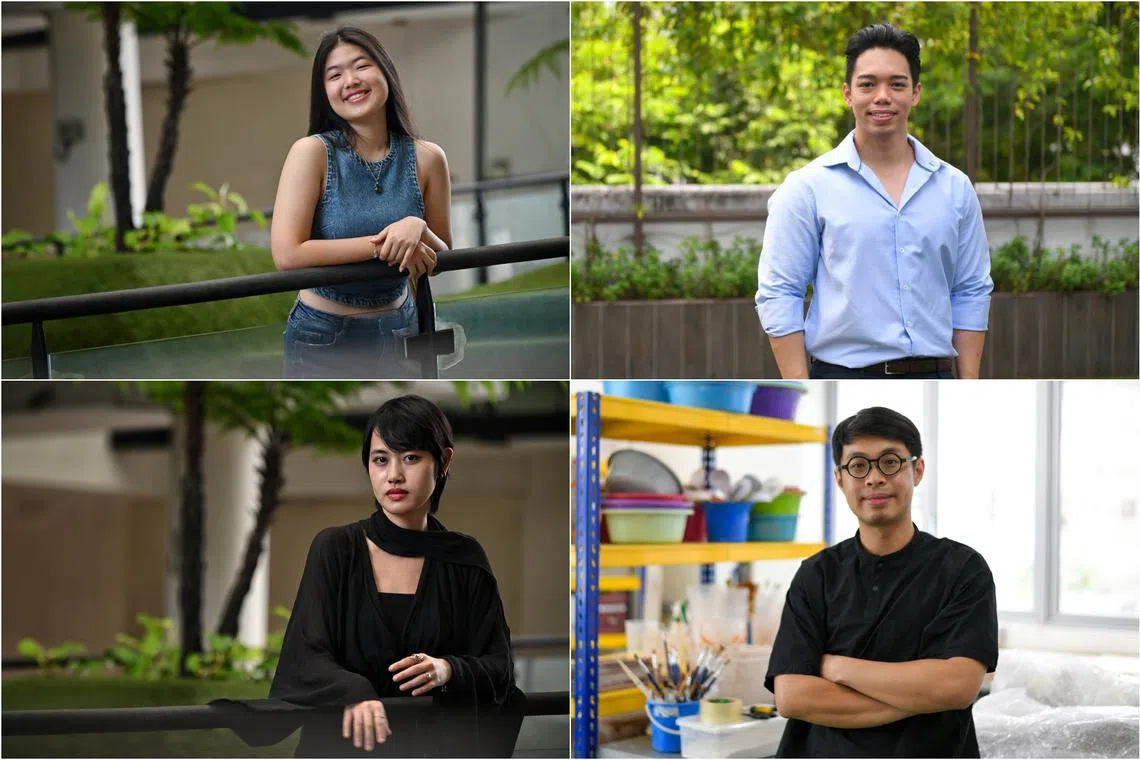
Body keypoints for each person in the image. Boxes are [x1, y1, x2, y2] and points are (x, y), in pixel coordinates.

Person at [213, 395, 523, 757]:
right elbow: (306, 657)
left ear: (444, 461)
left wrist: (447, 670)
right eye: (380, 460)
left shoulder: (465, 560)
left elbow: (499, 667)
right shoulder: (336, 549)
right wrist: (353, 693)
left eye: (411, 457)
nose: (394, 475)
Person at [755, 23, 994, 380]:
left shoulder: (955, 188)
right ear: (848, 94)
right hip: (843, 375)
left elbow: (971, 288)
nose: (882, 96)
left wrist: (968, 384)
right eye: (868, 84)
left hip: (937, 375)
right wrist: (801, 384)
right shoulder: (807, 188)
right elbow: (779, 292)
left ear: (915, 93)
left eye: (896, 84)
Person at [765, 406, 998, 758]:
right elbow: (793, 696)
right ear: (840, 479)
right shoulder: (816, 575)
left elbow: (957, 686)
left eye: (890, 462)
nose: (874, 478)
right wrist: (923, 696)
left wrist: (837, 667)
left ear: (917, 470)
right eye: (858, 466)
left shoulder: (963, 569)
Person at [271, 26, 453, 379]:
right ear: (324, 92)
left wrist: (416, 227)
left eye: (361, 66)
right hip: (323, 335)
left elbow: (442, 254)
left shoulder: (429, 158)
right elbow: (287, 254)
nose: (350, 80)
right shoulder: (311, 152)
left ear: (385, 71)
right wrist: (384, 243)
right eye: (334, 75)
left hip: (403, 326)